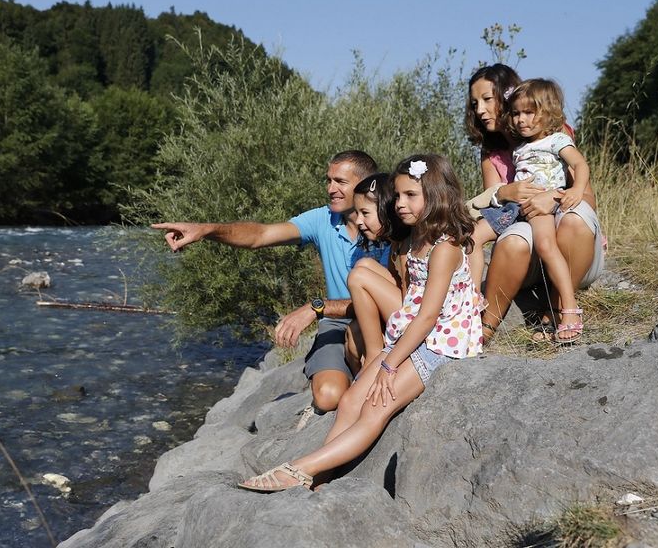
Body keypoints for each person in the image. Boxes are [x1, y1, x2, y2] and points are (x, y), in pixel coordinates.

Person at [237, 154, 484, 492]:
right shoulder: (413, 240)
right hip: (411, 337)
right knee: (352, 400)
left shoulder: (445, 247)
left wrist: (390, 364)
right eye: (397, 195)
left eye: (411, 195)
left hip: (441, 345)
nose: (399, 204)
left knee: (374, 410)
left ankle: (299, 469)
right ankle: (320, 479)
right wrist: (387, 357)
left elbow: (428, 316)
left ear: (437, 195)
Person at [151, 150, 387, 413]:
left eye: (340, 182)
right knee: (328, 398)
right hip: (337, 321)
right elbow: (259, 235)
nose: (331, 188)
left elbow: (388, 302)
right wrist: (205, 230)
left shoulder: (391, 229)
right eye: (328, 180)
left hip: (380, 321)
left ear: (366, 183)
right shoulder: (323, 219)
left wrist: (316, 307)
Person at [465, 64, 604, 344]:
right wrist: (505, 191)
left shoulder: (553, 135)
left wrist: (551, 195)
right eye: (474, 103)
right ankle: (480, 322)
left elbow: (585, 196)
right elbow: (496, 206)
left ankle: (560, 308)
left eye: (487, 99)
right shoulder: (494, 151)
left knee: (572, 219)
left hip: (565, 232)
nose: (480, 110)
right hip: (523, 227)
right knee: (505, 237)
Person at [345, 173, 410, 371]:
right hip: (407, 306)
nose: (358, 221)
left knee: (358, 276)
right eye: (357, 213)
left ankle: (374, 354)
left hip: (415, 315)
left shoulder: (405, 248)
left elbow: (410, 300)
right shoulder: (394, 245)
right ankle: (371, 353)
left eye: (365, 213)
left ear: (385, 209)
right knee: (364, 265)